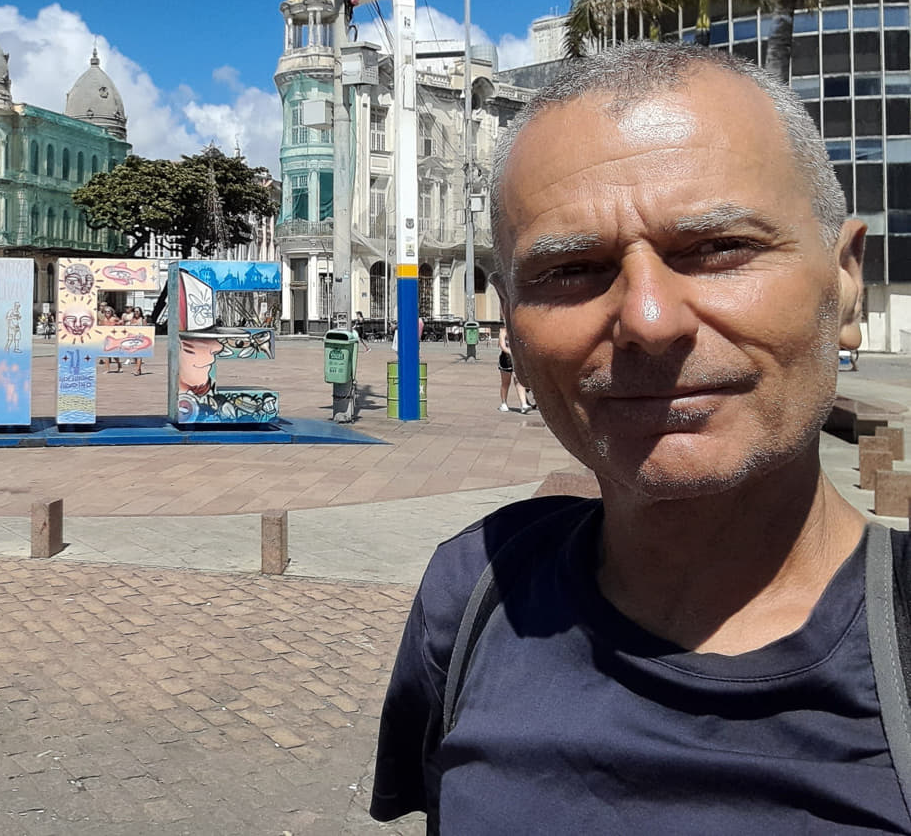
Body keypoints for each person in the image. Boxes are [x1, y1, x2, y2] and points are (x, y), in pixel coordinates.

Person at [370, 43, 895, 830]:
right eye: (573, 270)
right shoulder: (474, 594)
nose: (649, 320)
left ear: (847, 283)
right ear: (511, 320)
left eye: (718, 249)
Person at [495, 323, 530, 414]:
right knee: (505, 383)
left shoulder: (518, 332)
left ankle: (523, 404)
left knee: (518, 380)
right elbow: (503, 346)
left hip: (517, 359)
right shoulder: (503, 332)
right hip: (506, 359)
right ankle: (504, 403)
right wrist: (511, 352)